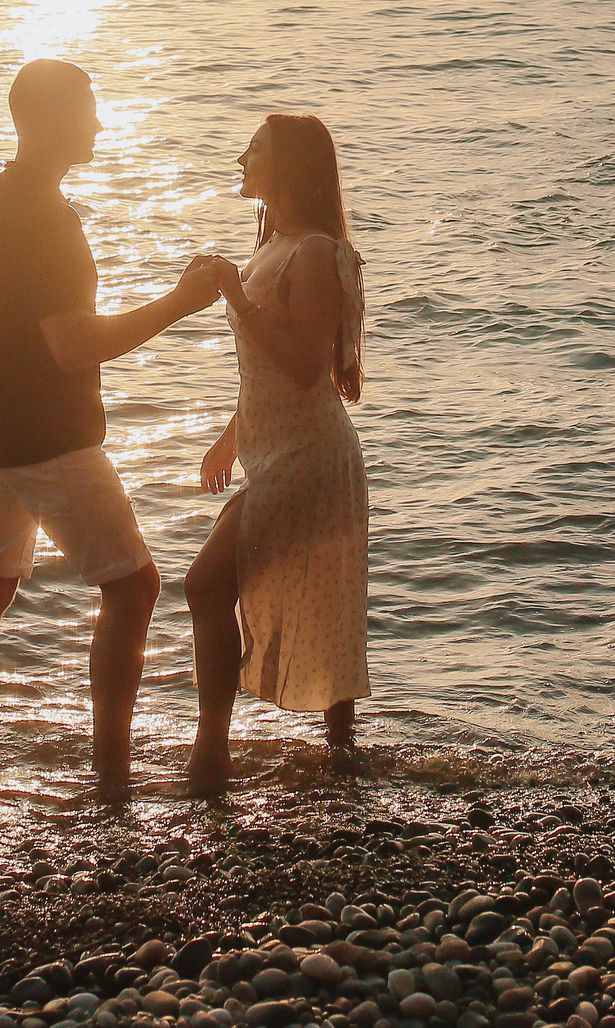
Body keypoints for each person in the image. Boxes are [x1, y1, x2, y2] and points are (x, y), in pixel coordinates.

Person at [0, 59, 223, 793]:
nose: (99, 123)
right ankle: (112, 774)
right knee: (134, 588)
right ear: (47, 120)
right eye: (87, 109)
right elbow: (73, 344)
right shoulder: (49, 218)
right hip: (52, 437)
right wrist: (180, 301)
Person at [183, 112, 370, 795]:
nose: (239, 158)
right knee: (325, 595)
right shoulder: (273, 244)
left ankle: (211, 754)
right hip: (279, 451)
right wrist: (230, 438)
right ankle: (343, 758)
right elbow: (262, 371)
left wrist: (232, 291)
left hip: (311, 455)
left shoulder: (315, 250)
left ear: (286, 166)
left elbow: (304, 365)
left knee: (206, 584)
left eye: (253, 150)